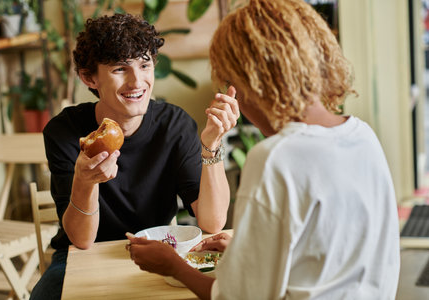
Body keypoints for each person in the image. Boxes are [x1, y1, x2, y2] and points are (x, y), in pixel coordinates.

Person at [127, 0, 401, 299]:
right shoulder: (363, 136)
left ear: (251, 81)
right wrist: (250, 251)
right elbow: (332, 252)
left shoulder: (275, 158)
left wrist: (174, 266)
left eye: (231, 82)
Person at [30, 13, 239, 300]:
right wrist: (85, 180)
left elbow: (212, 223)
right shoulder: (65, 132)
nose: (137, 81)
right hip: (83, 257)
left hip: (160, 251)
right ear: (89, 77)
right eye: (120, 69)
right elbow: (82, 240)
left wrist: (212, 144)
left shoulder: (174, 126)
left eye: (145, 64)